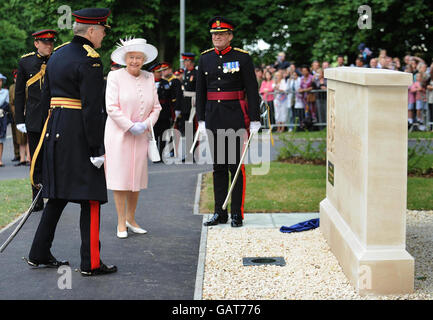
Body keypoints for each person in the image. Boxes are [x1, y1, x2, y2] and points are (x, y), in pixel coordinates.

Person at [26, 8, 117, 276]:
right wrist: (96, 149)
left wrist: (44, 133)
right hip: (78, 134)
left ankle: (38, 253)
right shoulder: (90, 59)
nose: (102, 35)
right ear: (91, 31)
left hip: (55, 130)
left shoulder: (59, 53)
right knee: (90, 198)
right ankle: (91, 262)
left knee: (57, 195)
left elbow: (46, 99)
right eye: (101, 30)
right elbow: (91, 108)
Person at [196, 16, 261, 228]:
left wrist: (254, 119)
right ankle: (219, 212)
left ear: (230, 36)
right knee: (219, 167)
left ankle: (236, 214)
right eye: (214, 34)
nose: (217, 37)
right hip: (214, 117)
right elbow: (201, 92)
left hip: (235, 117)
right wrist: (202, 120)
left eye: (221, 34)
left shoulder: (242, 58)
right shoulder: (205, 59)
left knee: (235, 166)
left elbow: (252, 90)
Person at [105, 37, 161, 239]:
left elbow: (156, 107)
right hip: (119, 135)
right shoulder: (115, 76)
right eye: (131, 57)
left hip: (141, 135)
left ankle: (131, 218)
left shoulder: (149, 77)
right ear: (125, 58)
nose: (135, 61)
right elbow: (111, 107)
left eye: (138, 57)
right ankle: (121, 222)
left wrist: (146, 125)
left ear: (144, 59)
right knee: (121, 179)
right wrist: (129, 126)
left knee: (136, 178)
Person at [14, 29, 58, 211]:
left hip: (55, 116)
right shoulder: (25, 62)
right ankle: (37, 199)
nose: (49, 45)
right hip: (33, 119)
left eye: (51, 42)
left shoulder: (58, 59)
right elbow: (18, 93)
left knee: (54, 158)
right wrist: (19, 119)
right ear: (36, 44)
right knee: (36, 160)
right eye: (45, 42)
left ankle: (55, 197)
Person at [9, 70, 30, 166]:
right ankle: (22, 159)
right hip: (17, 115)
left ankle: (29, 158)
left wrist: (26, 111)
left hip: (27, 114)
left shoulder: (27, 86)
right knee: (20, 139)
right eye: (16, 78)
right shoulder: (12, 88)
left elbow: (29, 100)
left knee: (28, 138)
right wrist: (17, 114)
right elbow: (12, 103)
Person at [0, 73, 9, 167]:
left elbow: (7, 105)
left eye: (1, 80)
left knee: (0, 140)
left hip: (1, 118)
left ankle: (0, 159)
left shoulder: (5, 92)